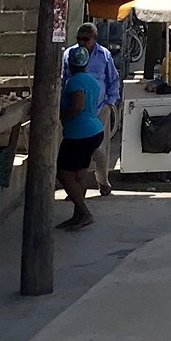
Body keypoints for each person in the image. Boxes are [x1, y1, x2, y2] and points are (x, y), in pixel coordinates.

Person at [68, 23, 122, 196]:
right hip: (77, 111)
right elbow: (64, 79)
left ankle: (103, 181)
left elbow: (113, 80)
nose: (82, 43)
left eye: (86, 39)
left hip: (99, 109)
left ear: (94, 39)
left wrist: (110, 103)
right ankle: (76, 189)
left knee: (99, 149)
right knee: (77, 150)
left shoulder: (104, 55)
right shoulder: (70, 54)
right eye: (79, 40)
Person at [57, 47, 104, 230]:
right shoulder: (91, 79)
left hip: (79, 134)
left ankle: (84, 212)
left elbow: (78, 105)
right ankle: (78, 214)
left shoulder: (74, 82)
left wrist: (61, 115)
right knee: (80, 172)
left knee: (64, 173)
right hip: (93, 130)